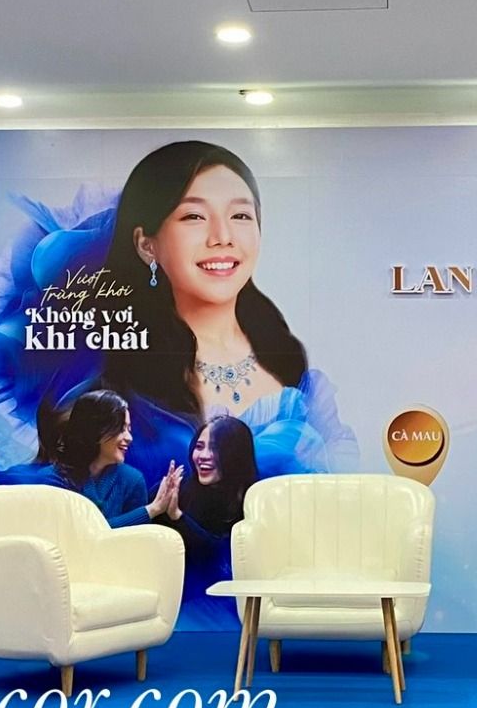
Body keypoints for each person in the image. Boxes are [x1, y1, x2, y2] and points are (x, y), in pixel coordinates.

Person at [98, 141, 356, 482]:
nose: (223, 237)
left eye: (240, 216)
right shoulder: (117, 369)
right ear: (147, 245)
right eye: (194, 216)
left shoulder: (288, 362)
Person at [32, 389, 181, 529]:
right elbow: (81, 533)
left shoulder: (132, 480)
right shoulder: (50, 480)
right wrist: (150, 510)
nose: (129, 438)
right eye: (120, 429)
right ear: (94, 430)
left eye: (129, 429)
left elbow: (137, 538)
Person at [168, 415, 258, 610]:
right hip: (184, 603)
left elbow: (222, 557)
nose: (203, 456)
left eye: (215, 448)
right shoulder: (178, 490)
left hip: (228, 605)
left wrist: (178, 517)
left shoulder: (255, 499)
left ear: (236, 454)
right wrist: (156, 509)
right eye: (199, 447)